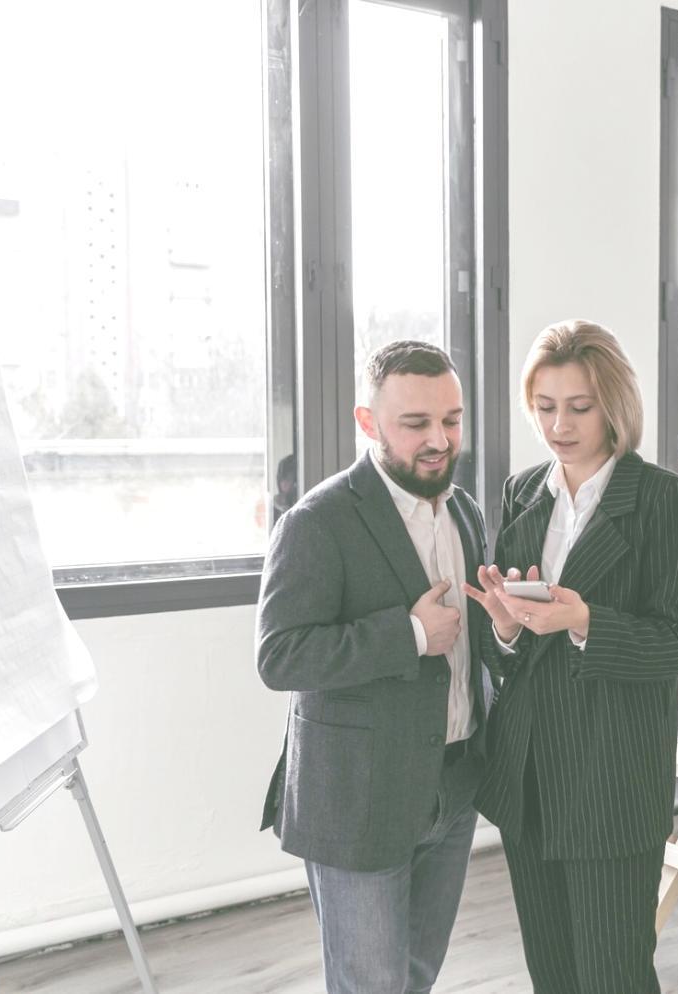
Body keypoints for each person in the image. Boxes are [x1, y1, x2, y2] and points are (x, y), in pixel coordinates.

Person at [464, 320, 678, 994]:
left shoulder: (662, 500)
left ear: (614, 404)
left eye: (578, 406)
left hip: (611, 776)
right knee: (554, 974)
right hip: (528, 774)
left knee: (614, 974)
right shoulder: (521, 493)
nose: (558, 425)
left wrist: (585, 620)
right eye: (544, 407)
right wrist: (506, 628)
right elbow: (501, 648)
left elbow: (675, 643)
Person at [256, 341, 494, 994]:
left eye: (451, 419)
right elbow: (280, 656)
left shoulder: (465, 512)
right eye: (416, 423)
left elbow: (474, 651)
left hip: (453, 785)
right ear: (368, 423)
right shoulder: (316, 522)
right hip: (360, 801)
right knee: (371, 985)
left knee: (415, 974)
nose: (440, 439)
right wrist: (410, 633)